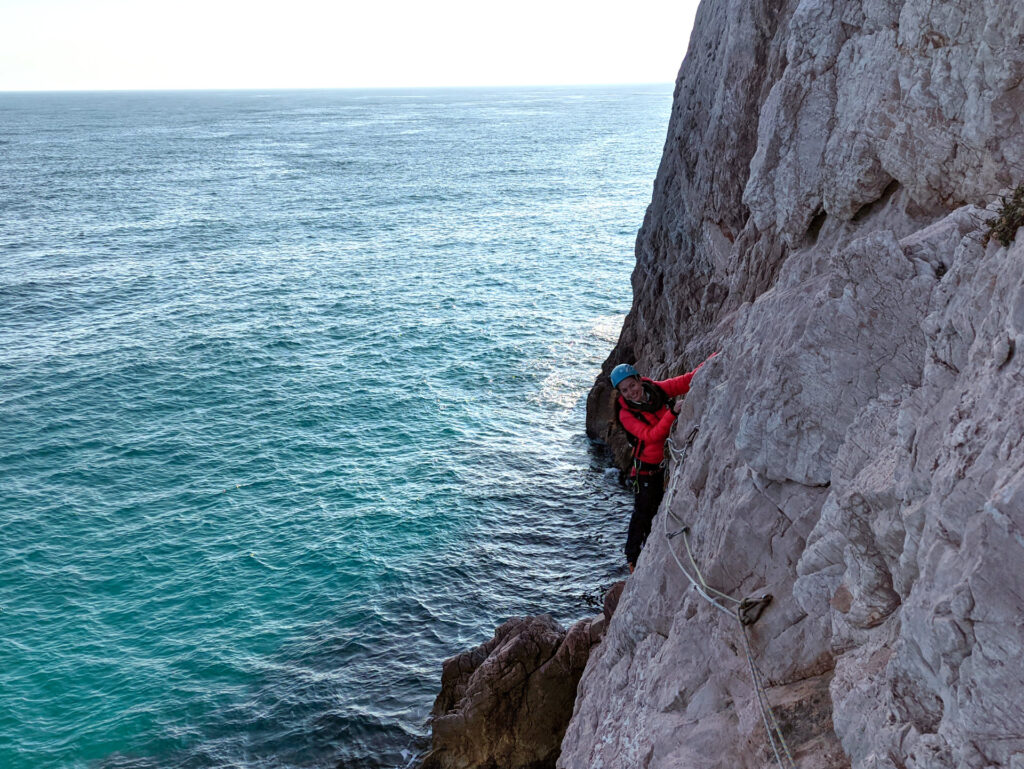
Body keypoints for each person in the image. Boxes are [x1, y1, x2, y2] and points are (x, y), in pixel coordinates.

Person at [610, 353, 717, 573]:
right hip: (646, 469)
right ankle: (632, 558)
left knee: (656, 508)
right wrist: (671, 413)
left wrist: (713, 359)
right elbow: (650, 436)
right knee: (642, 512)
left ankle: (648, 552)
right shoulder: (626, 414)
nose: (632, 392)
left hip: (662, 464)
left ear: (639, 379)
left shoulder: (654, 391)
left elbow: (683, 382)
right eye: (625, 390)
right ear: (620, 393)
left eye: (632, 385)